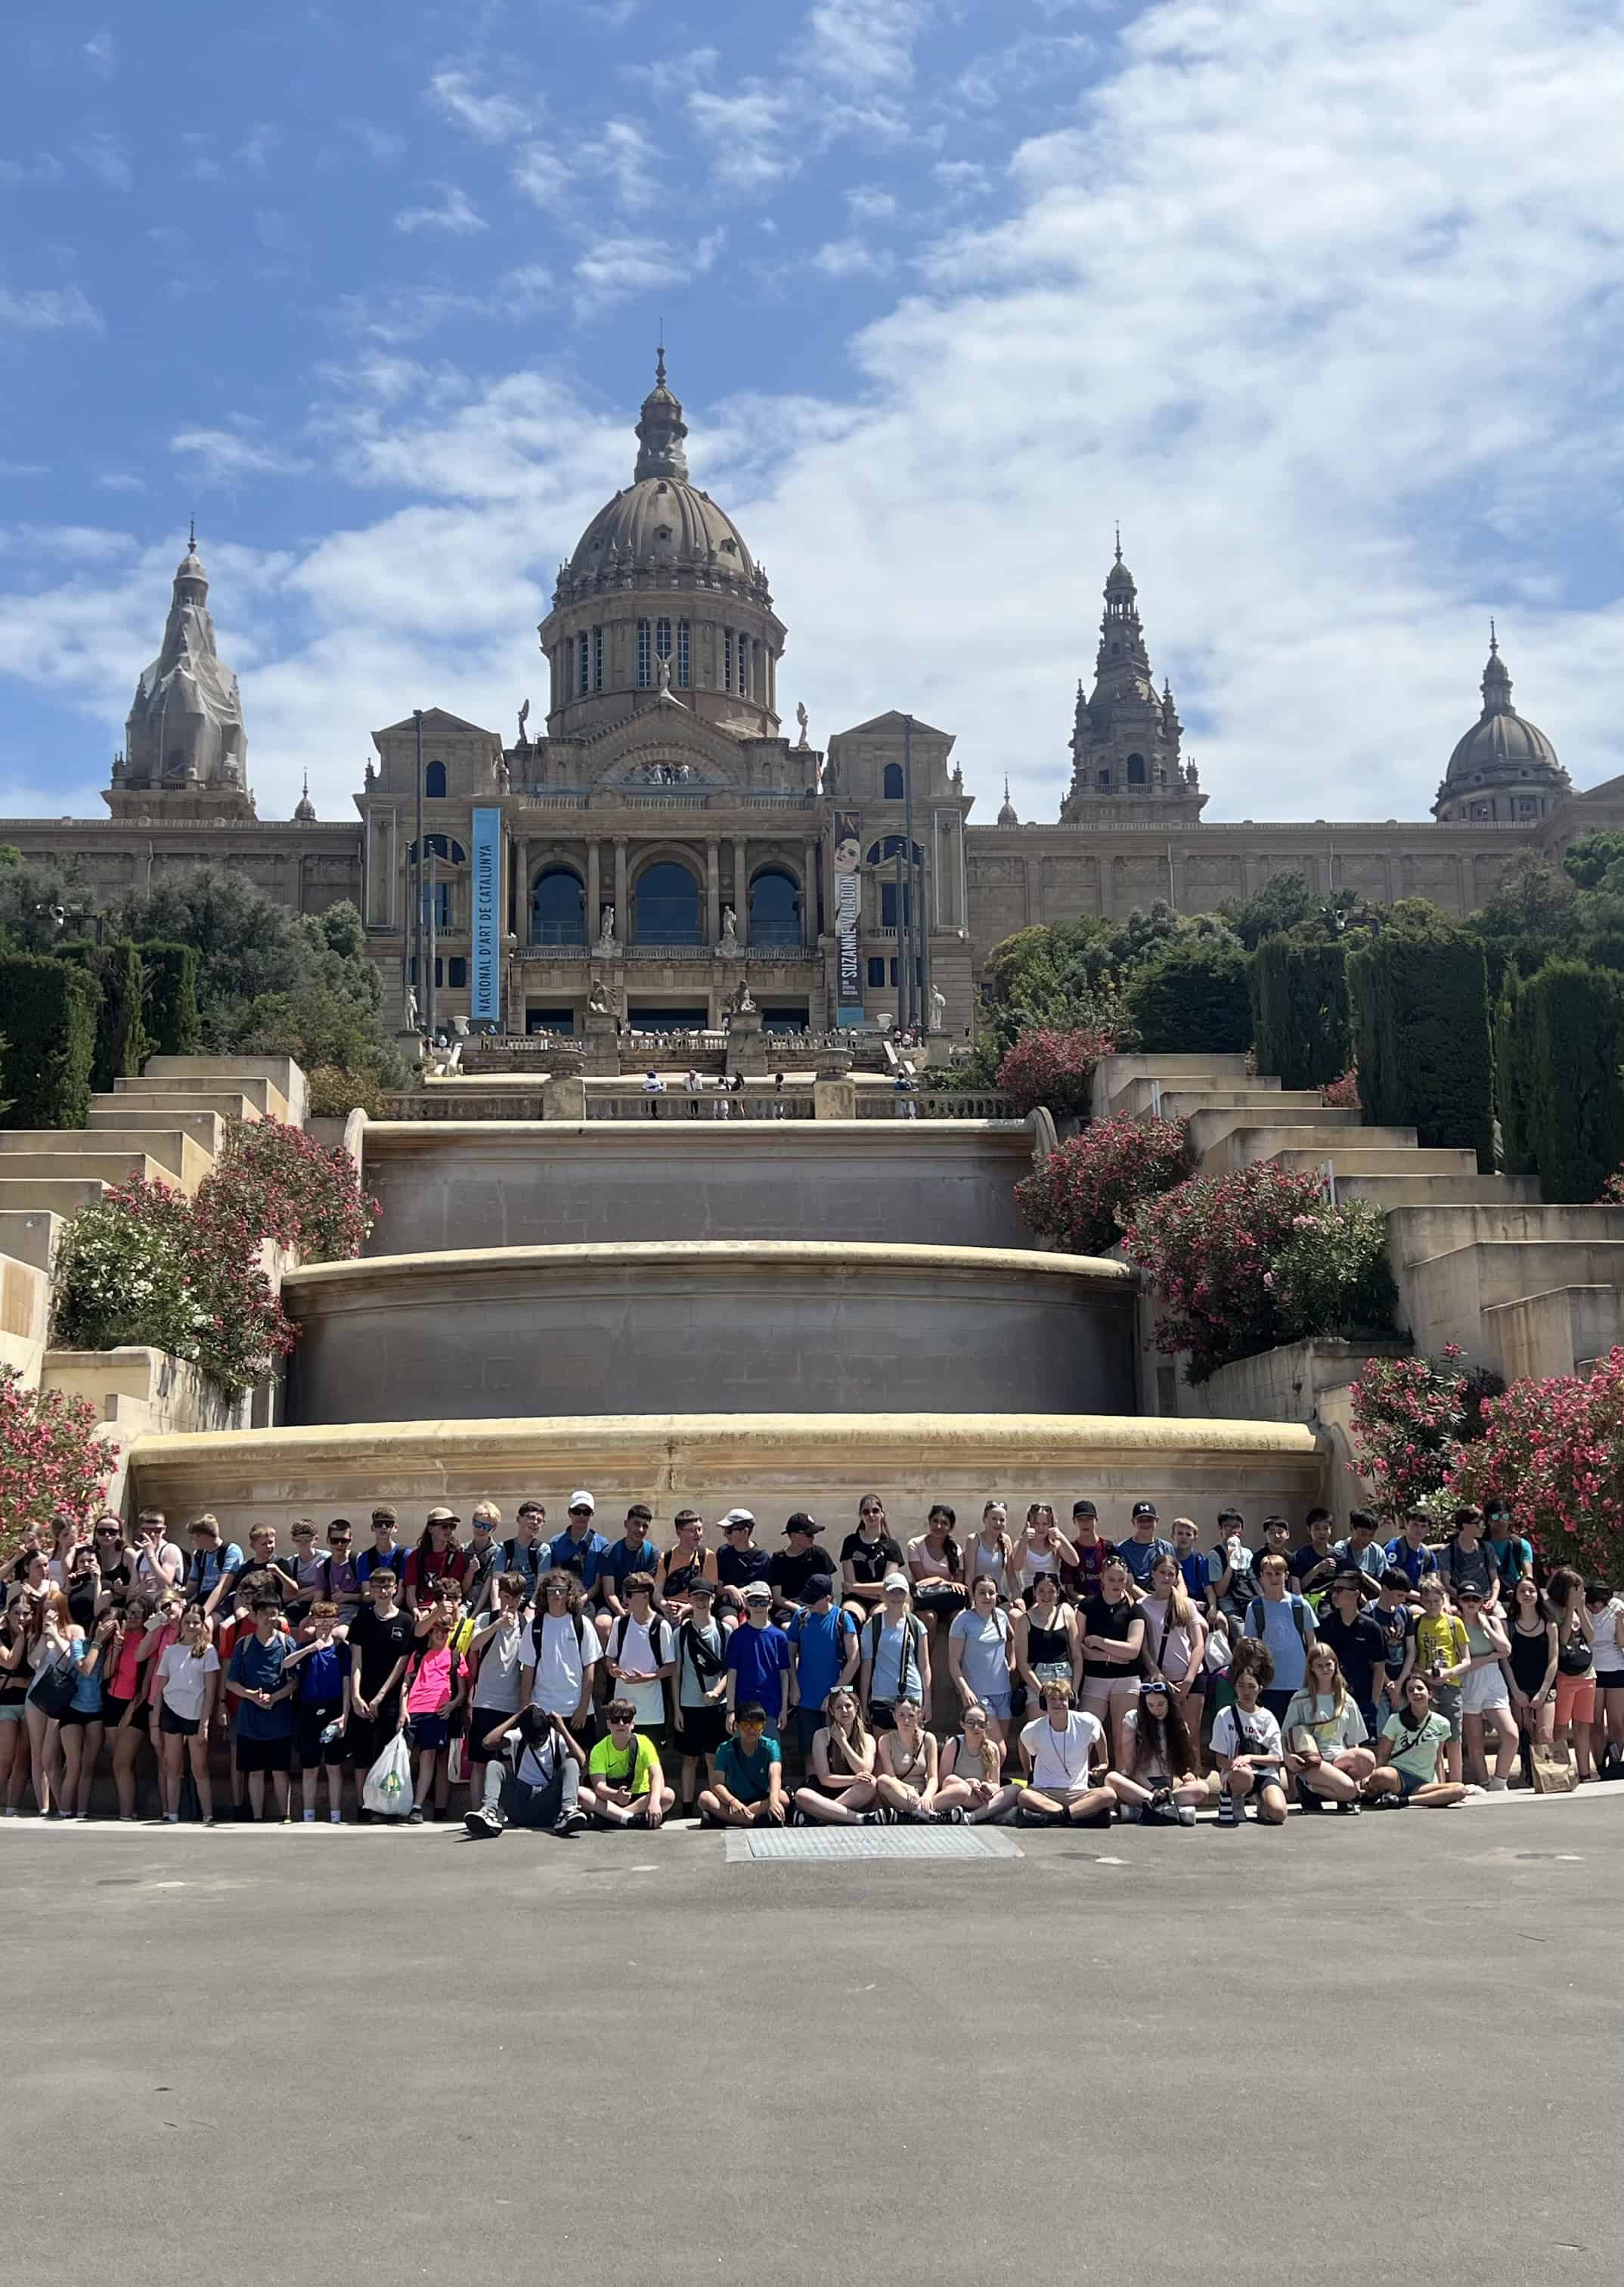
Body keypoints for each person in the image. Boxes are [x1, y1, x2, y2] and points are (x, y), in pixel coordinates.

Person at [225, 1594, 298, 1822]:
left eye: (273, 1613)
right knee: (254, 1771)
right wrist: (251, 1696)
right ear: (254, 1616)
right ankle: (257, 1817)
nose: (269, 1618)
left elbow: (294, 1681)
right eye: (264, 1614)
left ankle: (285, 1815)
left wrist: (274, 1698)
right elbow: (231, 1682)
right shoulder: (244, 1645)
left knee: (280, 1770)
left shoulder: (287, 1643)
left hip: (279, 1717)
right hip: (250, 1718)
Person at [466, 1705, 589, 1839]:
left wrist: (563, 1729)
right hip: (520, 1805)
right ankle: (489, 1812)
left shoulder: (558, 1739)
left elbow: (581, 1761)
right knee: (494, 1765)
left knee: (571, 1763)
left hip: (548, 1804)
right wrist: (518, 1716)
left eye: (540, 1741)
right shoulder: (517, 1737)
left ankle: (567, 1812)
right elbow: (487, 1743)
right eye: (532, 1741)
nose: (536, 1744)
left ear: (548, 1729)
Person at [345, 1568, 414, 1811]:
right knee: (362, 1756)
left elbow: (402, 1664)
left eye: (388, 1586)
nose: (384, 1591)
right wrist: (356, 1696)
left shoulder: (405, 1621)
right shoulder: (362, 1619)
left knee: (388, 1753)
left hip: (391, 1698)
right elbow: (356, 1662)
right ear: (371, 1590)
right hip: (363, 1697)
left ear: (396, 1588)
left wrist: (381, 1697)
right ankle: (365, 1806)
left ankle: (387, 1806)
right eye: (378, 1587)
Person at [461, 1572, 528, 1814]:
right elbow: (473, 1645)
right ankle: (478, 1810)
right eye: (507, 1596)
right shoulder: (485, 1619)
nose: (511, 1602)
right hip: (485, 1702)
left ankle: (505, 1810)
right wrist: (497, 1624)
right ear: (499, 1596)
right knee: (480, 1762)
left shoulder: (526, 1625)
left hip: (512, 1706)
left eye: (516, 1597)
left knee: (507, 1763)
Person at [1136, 1552, 1208, 1768]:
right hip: (1160, 1679)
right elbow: (1144, 1648)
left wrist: (1188, 1679)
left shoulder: (1187, 1604)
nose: (1166, 1578)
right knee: (1161, 1734)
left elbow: (1198, 1645)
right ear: (1153, 1575)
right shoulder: (1142, 1605)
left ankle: (1193, 1778)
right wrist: (1158, 1675)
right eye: (1162, 1573)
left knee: (1190, 1732)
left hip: (1191, 1676)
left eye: (1171, 1574)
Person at [1281, 1646, 1375, 1809]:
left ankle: (1336, 1785)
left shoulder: (1346, 1700)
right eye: (1319, 1665)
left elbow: (1353, 1743)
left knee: (1369, 1759)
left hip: (1338, 1757)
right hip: (1313, 1761)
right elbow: (1284, 1735)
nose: (1325, 1669)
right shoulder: (1301, 1698)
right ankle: (1308, 1787)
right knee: (1349, 1791)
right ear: (1311, 1668)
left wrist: (1358, 1780)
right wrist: (1288, 1758)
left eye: (1328, 1664)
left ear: (1335, 1665)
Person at [282, 1600, 349, 1822]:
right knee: (309, 1767)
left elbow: (347, 1683)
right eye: (320, 1620)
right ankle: (308, 1815)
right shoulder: (305, 1648)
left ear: (335, 1622)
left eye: (328, 1621)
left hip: (334, 1709)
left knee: (333, 1766)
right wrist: (311, 1647)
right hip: (309, 1710)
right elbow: (286, 1664)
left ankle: (336, 1815)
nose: (324, 1625)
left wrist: (345, 1715)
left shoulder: (341, 1649)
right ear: (313, 1621)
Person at [1015, 1677, 1114, 1826]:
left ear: (1070, 1702)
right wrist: (1028, 1772)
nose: (1057, 1704)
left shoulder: (1085, 1722)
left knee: (1109, 1794)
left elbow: (1098, 1729)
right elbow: (1022, 1742)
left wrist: (1104, 1761)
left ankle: (1054, 1817)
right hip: (1045, 1792)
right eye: (1052, 1699)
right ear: (1044, 1704)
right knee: (1024, 1796)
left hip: (1078, 1792)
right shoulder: (1034, 1728)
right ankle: (1077, 1815)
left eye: (1062, 1699)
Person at [1210, 1640, 1289, 1826]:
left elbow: (1277, 1757)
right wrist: (1237, 1763)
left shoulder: (1268, 1717)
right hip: (1238, 1773)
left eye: (1251, 1687)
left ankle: (1263, 1802)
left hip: (1263, 1771)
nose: (1246, 1691)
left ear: (1259, 1688)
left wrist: (1249, 1757)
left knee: (1279, 1814)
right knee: (1244, 1774)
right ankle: (1237, 1800)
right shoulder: (1225, 1715)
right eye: (1242, 1686)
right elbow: (1219, 1759)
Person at [671, 1578, 733, 1808]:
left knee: (713, 1759)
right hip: (689, 1705)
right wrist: (677, 1708)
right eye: (696, 1596)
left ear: (713, 1599)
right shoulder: (680, 1634)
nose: (700, 1601)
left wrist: (717, 1692)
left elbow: (730, 1670)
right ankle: (687, 1806)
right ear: (690, 1599)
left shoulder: (724, 1630)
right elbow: (676, 1673)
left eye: (705, 1597)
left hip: (717, 1705)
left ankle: (715, 1806)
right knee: (689, 1758)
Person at [1108, 1678, 1205, 1824]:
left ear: (1169, 1702)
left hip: (1168, 1787)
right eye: (1150, 1705)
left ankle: (1144, 1811)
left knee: (1201, 1789)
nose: (1156, 1710)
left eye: (1161, 1704)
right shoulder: (1133, 1719)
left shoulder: (1178, 1723)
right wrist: (1153, 1791)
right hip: (1141, 1786)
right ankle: (1162, 1806)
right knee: (1111, 1778)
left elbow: (1184, 1763)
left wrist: (1187, 1774)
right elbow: (1130, 1768)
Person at [1077, 1553, 1145, 1764]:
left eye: (1121, 1580)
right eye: (1112, 1579)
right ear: (1102, 1578)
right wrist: (1109, 1655)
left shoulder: (1135, 1608)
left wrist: (1099, 1641)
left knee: (1124, 1735)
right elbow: (1080, 1646)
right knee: (1086, 1732)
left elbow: (1133, 1650)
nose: (1116, 1584)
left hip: (1126, 1678)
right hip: (1095, 1678)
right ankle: (1081, 1780)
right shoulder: (1087, 1605)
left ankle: (1124, 1779)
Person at [156, 1603, 220, 1825]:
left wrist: (205, 1722)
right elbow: (160, 1688)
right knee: (172, 1766)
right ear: (181, 1624)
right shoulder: (170, 1651)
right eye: (187, 1622)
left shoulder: (209, 1651)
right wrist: (155, 1723)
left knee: (199, 1768)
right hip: (171, 1711)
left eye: (196, 1622)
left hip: (195, 1713)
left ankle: (207, 1815)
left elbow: (210, 1691)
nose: (191, 1626)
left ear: (202, 1625)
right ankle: (172, 1814)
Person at [1366, 1674, 1472, 1808]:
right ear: (1407, 1696)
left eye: (1420, 1688)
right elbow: (1383, 1754)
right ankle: (1384, 1795)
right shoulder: (1395, 1720)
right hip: (1398, 1777)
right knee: (1381, 1775)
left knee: (1460, 1789)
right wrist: (1374, 1778)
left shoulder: (1442, 1723)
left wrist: (1440, 1786)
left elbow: (1438, 1758)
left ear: (1430, 1694)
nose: (1416, 1692)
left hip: (1424, 1783)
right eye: (1411, 1690)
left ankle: (1403, 1801)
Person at [519, 1570, 600, 1743]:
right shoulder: (534, 1627)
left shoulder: (582, 1624)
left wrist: (583, 1707)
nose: (556, 1594)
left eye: (561, 1590)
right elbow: (527, 1671)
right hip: (543, 1711)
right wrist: (526, 1710)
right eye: (551, 1589)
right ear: (544, 1594)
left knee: (581, 1764)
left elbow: (590, 1669)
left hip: (576, 1711)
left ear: (569, 1593)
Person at [786, 1573, 859, 1761]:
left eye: (812, 1600)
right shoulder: (801, 1616)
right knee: (810, 1753)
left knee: (836, 1753)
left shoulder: (843, 1618)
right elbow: (789, 1653)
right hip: (805, 1698)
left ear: (827, 1598)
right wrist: (794, 1685)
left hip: (834, 1703)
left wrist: (834, 1693)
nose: (807, 1604)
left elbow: (854, 1659)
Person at [401, 1613, 465, 1823]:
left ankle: (417, 1807)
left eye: (445, 1630)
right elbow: (406, 1683)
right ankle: (397, 1802)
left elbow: (462, 1691)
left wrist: (452, 1705)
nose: (441, 1633)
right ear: (430, 1631)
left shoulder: (456, 1656)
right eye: (437, 1629)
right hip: (413, 1710)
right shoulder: (419, 1655)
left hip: (437, 1712)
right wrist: (403, 1709)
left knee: (429, 1757)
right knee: (405, 1757)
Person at [104, 1595, 163, 1821]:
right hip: (112, 1701)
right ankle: (127, 1809)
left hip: (135, 1706)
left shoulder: (150, 1640)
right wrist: (116, 1646)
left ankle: (127, 1813)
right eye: (131, 1613)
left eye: (139, 1613)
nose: (134, 1618)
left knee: (122, 1761)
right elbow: (106, 1673)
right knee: (119, 1763)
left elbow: (146, 1685)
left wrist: (129, 1713)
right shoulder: (120, 1636)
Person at [23, 1588, 80, 1818]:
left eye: (53, 1610)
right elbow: (35, 1662)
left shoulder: (73, 1631)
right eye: (45, 1610)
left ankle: (62, 1804)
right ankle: (44, 1806)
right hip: (37, 1693)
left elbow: (73, 1663)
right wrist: (45, 1635)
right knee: (37, 1753)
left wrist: (56, 1635)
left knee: (51, 1753)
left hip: (60, 1695)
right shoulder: (35, 1633)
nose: (49, 1614)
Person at [1454, 1588, 1517, 1789]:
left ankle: (1499, 1782)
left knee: (1511, 1734)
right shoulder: (1456, 1624)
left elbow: (1506, 1649)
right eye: (1466, 1599)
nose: (1471, 1603)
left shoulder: (1492, 1622)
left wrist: (1486, 1628)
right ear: (1460, 1601)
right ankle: (1483, 1784)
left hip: (1493, 1679)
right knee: (1475, 1743)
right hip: (1469, 1680)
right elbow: (1465, 1663)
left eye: (1476, 1598)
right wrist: (1491, 1656)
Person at [1315, 1571, 1388, 1744]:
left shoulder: (1372, 1628)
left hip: (1363, 1700)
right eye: (1333, 1590)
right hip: (1331, 1700)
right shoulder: (1325, 1625)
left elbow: (1379, 1668)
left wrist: (1373, 1703)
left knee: (1365, 1753)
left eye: (1340, 1590)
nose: (1335, 1594)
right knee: (1331, 1748)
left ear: (1356, 1594)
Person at [58, 1604, 115, 1820]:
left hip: (96, 1710)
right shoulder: (80, 1644)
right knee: (74, 1763)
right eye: (104, 1623)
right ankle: (64, 1811)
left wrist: (113, 1645)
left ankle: (82, 1811)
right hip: (72, 1708)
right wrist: (98, 1641)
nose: (106, 1628)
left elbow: (110, 1674)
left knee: (89, 1764)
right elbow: (85, 1668)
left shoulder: (112, 1649)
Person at [1243, 1555, 1316, 1722]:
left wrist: (1310, 1676)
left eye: (1278, 1573)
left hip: (1299, 1683)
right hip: (1269, 1684)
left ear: (1286, 1575)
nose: (1274, 1578)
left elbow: (1312, 1644)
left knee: (1298, 1734)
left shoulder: (1300, 1605)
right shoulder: (1255, 1607)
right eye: (1268, 1574)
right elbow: (1251, 1647)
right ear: (1261, 1577)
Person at [604, 1572, 675, 1740]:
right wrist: (613, 1669)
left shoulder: (661, 1626)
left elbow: (671, 1666)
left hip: (652, 1712)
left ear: (645, 1596)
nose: (625, 1600)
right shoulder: (619, 1624)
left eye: (629, 1595)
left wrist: (647, 1677)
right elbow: (610, 1659)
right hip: (621, 1712)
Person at [793, 1684, 879, 1824]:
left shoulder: (867, 1739)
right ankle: (858, 1818)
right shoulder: (821, 1736)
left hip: (852, 1793)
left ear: (856, 1708)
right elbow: (825, 1778)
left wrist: (842, 1742)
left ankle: (823, 1815)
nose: (844, 1711)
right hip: (827, 1790)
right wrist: (854, 1779)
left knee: (871, 1783)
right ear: (832, 1712)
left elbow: (865, 1771)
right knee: (801, 1795)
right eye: (839, 1707)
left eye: (848, 1706)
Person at [947, 1575, 1015, 1745]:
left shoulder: (1001, 1615)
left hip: (1003, 1691)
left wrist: (1012, 1662)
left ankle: (988, 1773)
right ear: (974, 1595)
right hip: (977, 1694)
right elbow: (953, 1662)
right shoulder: (963, 1620)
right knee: (999, 1748)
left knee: (996, 1749)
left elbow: (1011, 1638)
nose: (987, 1597)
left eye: (991, 1593)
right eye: (982, 1592)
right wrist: (965, 1690)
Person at [585, 1699, 676, 1826]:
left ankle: (616, 1818)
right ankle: (632, 1820)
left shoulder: (644, 1742)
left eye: (626, 1719)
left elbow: (657, 1775)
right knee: (582, 1794)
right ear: (608, 1724)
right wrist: (616, 1796)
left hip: (640, 1799)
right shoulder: (599, 1749)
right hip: (612, 1799)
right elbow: (599, 1787)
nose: (621, 1724)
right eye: (615, 1720)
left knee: (668, 1795)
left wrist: (654, 1801)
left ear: (633, 1724)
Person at [859, 1574, 930, 1733]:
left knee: (911, 1750)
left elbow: (925, 1666)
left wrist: (928, 1702)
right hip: (882, 1695)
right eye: (892, 1592)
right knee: (883, 1750)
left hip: (911, 1694)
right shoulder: (873, 1625)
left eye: (901, 1592)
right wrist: (864, 1704)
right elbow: (867, 1666)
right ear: (884, 1594)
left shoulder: (916, 1625)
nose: (897, 1597)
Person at [1413, 1578, 1468, 1783]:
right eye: (1428, 1601)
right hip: (1426, 1686)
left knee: (1454, 1738)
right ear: (1421, 1600)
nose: (1433, 1605)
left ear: (1443, 1599)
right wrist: (1424, 1673)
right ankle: (1438, 1783)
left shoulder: (1455, 1623)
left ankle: (1457, 1783)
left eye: (1437, 1601)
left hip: (1450, 1685)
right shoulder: (1417, 1623)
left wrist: (1449, 1673)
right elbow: (1412, 1657)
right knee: (1432, 1739)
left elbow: (1467, 1660)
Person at [699, 1702, 786, 1827]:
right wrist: (732, 1801)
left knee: (783, 1797)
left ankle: (725, 1819)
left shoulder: (771, 1746)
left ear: (763, 1727)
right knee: (705, 1797)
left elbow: (775, 1775)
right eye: (746, 1725)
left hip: (760, 1800)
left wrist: (773, 1801)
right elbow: (717, 1784)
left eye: (757, 1725)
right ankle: (755, 1821)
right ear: (737, 1726)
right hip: (733, 1799)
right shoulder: (725, 1749)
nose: (752, 1730)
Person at [1505, 1575, 1558, 1773]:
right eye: (1522, 1591)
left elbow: (1554, 1660)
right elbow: (1506, 1662)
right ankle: (1529, 1775)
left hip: (1545, 1689)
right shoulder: (1508, 1625)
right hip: (1519, 1688)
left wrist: (1543, 1692)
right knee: (1525, 1733)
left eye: (1531, 1591)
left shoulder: (1550, 1625)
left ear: (1538, 1594)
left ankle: (1549, 1776)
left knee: (1545, 1735)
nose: (1527, 1594)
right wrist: (1515, 1691)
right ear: (1516, 1596)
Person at [1547, 1566, 1595, 1783]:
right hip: (1564, 1676)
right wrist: (1569, 1609)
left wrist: (1581, 1609)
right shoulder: (1550, 1608)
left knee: (1583, 1725)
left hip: (1586, 1674)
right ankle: (1562, 1772)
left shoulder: (1578, 1608)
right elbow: (1563, 1639)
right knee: (1561, 1727)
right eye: (1575, 1590)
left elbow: (1591, 1637)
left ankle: (1585, 1772)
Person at [726, 1582, 792, 1738]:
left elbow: (784, 1674)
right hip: (743, 1709)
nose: (758, 1606)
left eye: (762, 1601)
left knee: (771, 1757)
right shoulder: (738, 1636)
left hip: (771, 1709)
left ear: (770, 1603)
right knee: (742, 1759)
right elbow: (732, 1674)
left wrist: (784, 1709)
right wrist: (730, 1711)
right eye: (753, 1601)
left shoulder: (779, 1637)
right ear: (747, 1604)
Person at [935, 1705, 1018, 1825]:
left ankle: (971, 1817)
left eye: (981, 1724)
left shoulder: (992, 1748)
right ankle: (984, 1813)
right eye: (971, 1723)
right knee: (957, 1786)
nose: (976, 1728)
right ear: (962, 1724)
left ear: (986, 1726)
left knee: (1016, 1789)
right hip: (961, 1794)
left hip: (983, 1798)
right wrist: (968, 1783)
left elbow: (996, 1784)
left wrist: (987, 1787)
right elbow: (944, 1780)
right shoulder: (954, 1744)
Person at [1013, 1570, 1080, 1715]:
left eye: (1051, 1591)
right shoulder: (1024, 1620)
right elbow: (1022, 1662)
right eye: (1041, 1591)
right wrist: (1041, 1692)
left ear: (1057, 1593)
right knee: (1038, 1730)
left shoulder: (1066, 1615)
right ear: (1035, 1592)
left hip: (1064, 1676)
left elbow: (1077, 1657)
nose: (1046, 1596)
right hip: (1037, 1679)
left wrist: (1073, 1689)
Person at [596, 1503, 661, 1643]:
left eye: (645, 1526)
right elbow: (609, 1593)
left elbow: (648, 1589)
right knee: (602, 1624)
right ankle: (608, 1663)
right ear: (626, 1524)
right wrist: (621, 1613)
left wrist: (635, 1611)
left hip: (642, 1603)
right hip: (615, 1605)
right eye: (636, 1524)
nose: (640, 1529)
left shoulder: (653, 1553)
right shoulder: (609, 1553)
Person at [904, 1504, 967, 1645]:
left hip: (947, 1602)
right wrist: (943, 1581)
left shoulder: (956, 1550)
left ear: (951, 1528)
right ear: (929, 1521)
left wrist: (939, 1581)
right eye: (935, 1521)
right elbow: (922, 1582)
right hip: (923, 1601)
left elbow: (959, 1584)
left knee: (961, 1619)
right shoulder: (915, 1545)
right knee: (930, 1617)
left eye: (944, 1523)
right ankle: (925, 1663)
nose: (938, 1526)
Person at [839, 1496, 905, 1620]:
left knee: (879, 1618)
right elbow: (849, 1581)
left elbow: (887, 1585)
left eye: (875, 1511)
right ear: (861, 1515)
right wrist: (876, 1592)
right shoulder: (851, 1542)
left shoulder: (891, 1546)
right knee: (850, 1617)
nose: (871, 1515)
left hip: (881, 1602)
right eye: (866, 1512)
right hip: (855, 1600)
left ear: (882, 1514)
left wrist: (854, 1588)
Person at [874, 1696, 939, 1820]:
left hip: (923, 1795)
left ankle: (916, 1812)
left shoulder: (929, 1739)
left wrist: (927, 1795)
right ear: (894, 1716)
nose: (906, 1721)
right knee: (883, 1780)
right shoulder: (886, 1740)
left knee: (960, 1790)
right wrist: (909, 1789)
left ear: (919, 1715)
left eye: (911, 1715)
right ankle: (923, 1812)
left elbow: (933, 1777)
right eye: (901, 1715)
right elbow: (891, 1777)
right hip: (899, 1794)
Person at [1585, 1579, 1624, 1777]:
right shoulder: (1581, 1608)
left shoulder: (1617, 1607)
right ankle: (1600, 1766)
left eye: (1602, 1602)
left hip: (1616, 1667)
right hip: (1591, 1669)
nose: (1598, 1606)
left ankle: (1616, 1763)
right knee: (1596, 1722)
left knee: (1617, 1721)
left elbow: (1622, 1642)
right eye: (1594, 1602)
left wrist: (1620, 1623)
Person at [770, 1513, 836, 1624]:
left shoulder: (819, 1554)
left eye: (814, 1533)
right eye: (809, 1534)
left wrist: (815, 1609)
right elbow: (777, 1598)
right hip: (787, 1610)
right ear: (794, 1536)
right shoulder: (778, 1559)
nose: (813, 1537)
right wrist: (799, 1609)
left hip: (817, 1607)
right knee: (790, 1629)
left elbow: (828, 1591)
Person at [0, 1593, 33, 1813]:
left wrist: (15, 1682)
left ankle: (12, 1807)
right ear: (8, 1615)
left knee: (22, 1759)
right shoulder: (1, 1636)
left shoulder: (36, 1636)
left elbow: (33, 1673)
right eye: (16, 1613)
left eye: (26, 1614)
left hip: (29, 1704)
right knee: (5, 1757)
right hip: (5, 1704)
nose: (21, 1618)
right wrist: (21, 1637)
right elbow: (10, 1662)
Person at [1010, 1503, 1080, 1603]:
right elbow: (1017, 1566)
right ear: (1030, 1524)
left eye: (1045, 1524)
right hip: (1031, 1592)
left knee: (1066, 1611)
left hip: (1053, 1590)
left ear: (1051, 1525)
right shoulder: (1022, 1544)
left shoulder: (1056, 1544)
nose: (1041, 1528)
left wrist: (1061, 1537)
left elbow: (1075, 1561)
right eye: (1037, 1524)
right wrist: (1023, 1542)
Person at [402, 1508, 467, 1612]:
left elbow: (451, 1592)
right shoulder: (416, 1556)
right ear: (430, 1529)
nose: (449, 1530)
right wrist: (415, 1611)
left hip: (445, 1609)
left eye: (452, 1526)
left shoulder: (457, 1557)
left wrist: (429, 1612)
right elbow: (410, 1591)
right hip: (419, 1609)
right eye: (444, 1526)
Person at [548, 1491, 610, 1598]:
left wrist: (582, 1600)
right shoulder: (555, 1543)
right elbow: (551, 1579)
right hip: (562, 1601)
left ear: (592, 1514)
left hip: (592, 1602)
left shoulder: (602, 1544)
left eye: (586, 1512)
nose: (581, 1516)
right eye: (577, 1511)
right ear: (569, 1513)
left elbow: (599, 1583)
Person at [655, 1510, 715, 1614]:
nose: (698, 1534)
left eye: (700, 1529)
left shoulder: (707, 1556)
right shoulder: (665, 1558)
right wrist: (664, 1606)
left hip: (695, 1610)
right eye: (692, 1530)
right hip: (669, 1610)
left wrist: (687, 1608)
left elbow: (710, 1593)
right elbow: (657, 1592)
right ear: (679, 1532)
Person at [714, 1509, 773, 1614]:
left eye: (729, 1531)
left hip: (755, 1607)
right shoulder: (723, 1553)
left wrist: (743, 1591)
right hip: (728, 1605)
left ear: (745, 1532)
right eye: (725, 1530)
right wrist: (730, 1589)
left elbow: (765, 1590)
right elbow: (718, 1590)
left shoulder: (763, 1557)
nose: (725, 1535)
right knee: (729, 1624)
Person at [1437, 1506, 1498, 1607]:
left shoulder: (1487, 1548)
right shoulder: (1448, 1552)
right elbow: (1446, 1584)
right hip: (1461, 1601)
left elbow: (1495, 1579)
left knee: (1501, 1617)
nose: (1483, 1527)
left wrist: (1493, 1599)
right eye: (1479, 1524)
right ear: (1465, 1525)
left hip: (1486, 1599)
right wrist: (1469, 1599)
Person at [184, 1514, 243, 1608]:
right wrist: (172, 1596)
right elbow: (191, 1588)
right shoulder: (199, 1555)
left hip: (224, 1601)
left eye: (196, 1535)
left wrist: (204, 1613)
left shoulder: (231, 1550)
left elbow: (223, 1587)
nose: (193, 1540)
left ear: (208, 1535)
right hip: (202, 1599)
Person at [459, 1502, 504, 1620]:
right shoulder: (463, 1550)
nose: (481, 1530)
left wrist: (474, 1616)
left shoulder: (498, 1553)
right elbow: (462, 1589)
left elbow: (488, 1588)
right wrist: (470, 1571)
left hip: (485, 1606)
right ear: (473, 1522)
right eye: (478, 1524)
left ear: (494, 1528)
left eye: (487, 1527)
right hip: (464, 1603)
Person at [500, 1501, 551, 1603]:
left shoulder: (543, 1550)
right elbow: (496, 1580)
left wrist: (532, 1606)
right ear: (518, 1519)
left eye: (539, 1520)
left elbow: (541, 1583)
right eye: (531, 1518)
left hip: (531, 1602)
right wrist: (497, 1607)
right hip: (506, 1600)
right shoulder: (504, 1548)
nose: (535, 1522)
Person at [1117, 1500, 1174, 1591]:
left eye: (1149, 1520)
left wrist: (1182, 1600)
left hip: (1164, 1599)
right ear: (1133, 1522)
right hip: (1136, 1602)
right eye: (1141, 1520)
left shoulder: (1166, 1547)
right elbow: (1129, 1585)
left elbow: (1179, 1579)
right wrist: (1151, 1603)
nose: (1145, 1524)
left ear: (1157, 1520)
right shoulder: (1122, 1549)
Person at [965, 1500, 1016, 1601]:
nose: (998, 1523)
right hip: (978, 1597)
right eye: (994, 1519)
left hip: (998, 1597)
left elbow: (1011, 1576)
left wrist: (1017, 1596)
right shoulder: (974, 1540)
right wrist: (972, 1602)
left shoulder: (1006, 1540)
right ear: (984, 1519)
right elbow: (969, 1577)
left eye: (1002, 1520)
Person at [1482, 1500, 1534, 1597]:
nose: (1501, 1521)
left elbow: (1528, 1576)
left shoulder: (1521, 1545)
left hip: (1513, 1594)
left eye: (1505, 1517)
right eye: (1495, 1517)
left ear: (1510, 1519)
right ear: (1488, 1520)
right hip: (1485, 1594)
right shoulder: (1479, 1545)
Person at [132, 1508, 183, 1601]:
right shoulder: (139, 1555)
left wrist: (151, 1556)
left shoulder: (169, 1550)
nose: (152, 1534)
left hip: (166, 1605)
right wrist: (138, 1590)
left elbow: (165, 1586)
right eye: (147, 1530)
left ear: (164, 1530)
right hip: (145, 1606)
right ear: (140, 1531)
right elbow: (131, 1593)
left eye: (157, 1531)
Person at [1067, 1500, 1114, 1599]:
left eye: (1089, 1519)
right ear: (1074, 1521)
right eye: (1080, 1519)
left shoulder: (1108, 1547)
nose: (1085, 1523)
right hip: (1081, 1603)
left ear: (1096, 1520)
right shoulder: (1070, 1549)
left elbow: (1118, 1581)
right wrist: (1087, 1602)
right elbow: (1070, 1590)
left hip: (1108, 1600)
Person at [1288, 1509, 1339, 1603]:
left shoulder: (1338, 1554)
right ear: (1309, 1530)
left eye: (1326, 1528)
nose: (1322, 1532)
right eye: (1317, 1528)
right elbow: (1298, 1587)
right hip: (1313, 1601)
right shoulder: (1301, 1556)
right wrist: (1317, 1569)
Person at [1384, 1508, 1440, 1590]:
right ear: (1406, 1524)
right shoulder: (1394, 1549)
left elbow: (1433, 1583)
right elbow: (1391, 1586)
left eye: (1423, 1526)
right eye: (1415, 1524)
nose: (1419, 1530)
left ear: (1428, 1529)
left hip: (1417, 1598)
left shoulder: (1427, 1554)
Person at [355, 1507, 408, 1590]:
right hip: (374, 1602)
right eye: (378, 1524)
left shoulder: (406, 1555)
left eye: (388, 1524)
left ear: (395, 1528)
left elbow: (402, 1593)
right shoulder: (365, 1558)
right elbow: (366, 1593)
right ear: (372, 1527)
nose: (383, 1527)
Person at [1332, 1509, 1387, 1587]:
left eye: (1371, 1535)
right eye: (1363, 1534)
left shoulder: (1377, 1551)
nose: (1367, 1539)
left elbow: (1384, 1582)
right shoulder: (1341, 1549)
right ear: (1352, 1528)